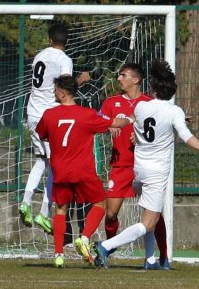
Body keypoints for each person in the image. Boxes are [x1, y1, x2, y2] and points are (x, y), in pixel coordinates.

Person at [94, 59, 199, 269]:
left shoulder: (142, 107)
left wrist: (103, 123)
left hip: (138, 170)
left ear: (153, 89)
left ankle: (149, 260)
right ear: (172, 92)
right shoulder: (174, 111)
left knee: (151, 215)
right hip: (156, 173)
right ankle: (105, 246)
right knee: (148, 222)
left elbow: (126, 121)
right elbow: (187, 138)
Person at [35, 75, 132, 268]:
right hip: (83, 170)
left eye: (55, 89)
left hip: (60, 170)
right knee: (100, 204)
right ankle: (85, 238)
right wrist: (131, 118)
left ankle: (59, 255)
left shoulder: (48, 114)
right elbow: (115, 123)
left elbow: (42, 134)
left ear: (62, 93)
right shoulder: (87, 114)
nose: (54, 92)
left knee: (61, 210)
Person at [19, 23, 90, 234]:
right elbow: (66, 89)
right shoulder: (64, 60)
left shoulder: (39, 56)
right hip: (51, 116)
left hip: (32, 113)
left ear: (50, 39)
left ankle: (25, 201)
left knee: (41, 160)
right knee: (55, 166)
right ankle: (43, 213)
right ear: (66, 42)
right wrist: (82, 80)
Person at [100, 63, 169, 269]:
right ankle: (108, 249)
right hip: (120, 166)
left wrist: (140, 137)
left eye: (123, 75)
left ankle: (162, 257)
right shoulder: (112, 103)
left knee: (154, 215)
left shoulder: (149, 102)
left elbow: (163, 124)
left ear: (136, 80)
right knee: (111, 213)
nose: (119, 79)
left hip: (143, 165)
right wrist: (108, 125)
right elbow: (98, 121)